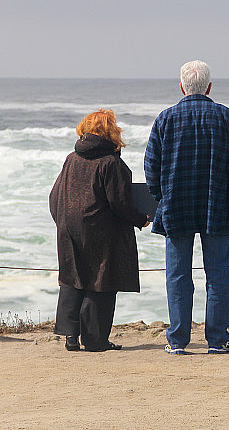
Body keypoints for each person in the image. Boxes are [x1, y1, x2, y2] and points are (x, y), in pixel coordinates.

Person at [145, 60, 229, 355]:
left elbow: (151, 166)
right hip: (216, 203)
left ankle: (178, 340)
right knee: (218, 276)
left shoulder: (166, 118)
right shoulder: (224, 116)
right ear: (209, 87)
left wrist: (161, 197)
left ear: (182, 87)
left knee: (177, 276)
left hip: (176, 204)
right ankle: (217, 339)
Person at [50, 109, 148, 352]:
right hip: (101, 229)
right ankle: (95, 340)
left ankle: (70, 336)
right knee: (101, 279)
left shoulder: (72, 158)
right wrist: (141, 219)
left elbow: (55, 195)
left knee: (73, 276)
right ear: (111, 132)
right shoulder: (111, 162)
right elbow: (119, 203)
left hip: (69, 226)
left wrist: (62, 221)